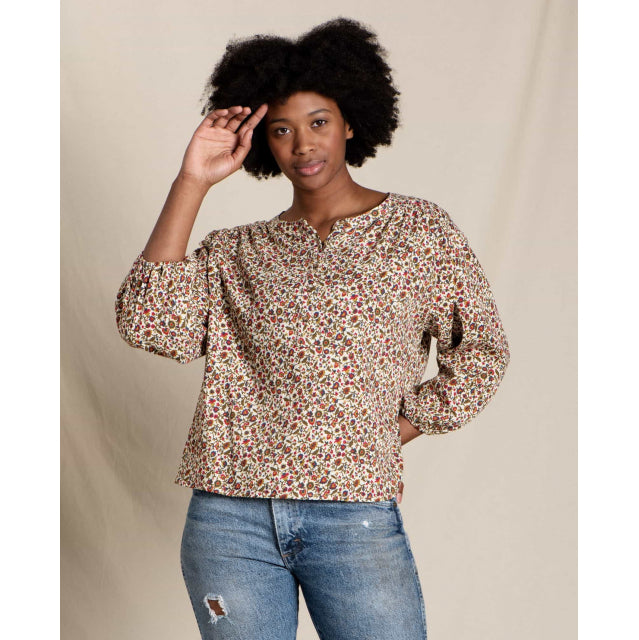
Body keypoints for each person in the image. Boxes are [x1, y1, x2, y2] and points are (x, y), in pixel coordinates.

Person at [115, 17, 509, 640]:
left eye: (318, 122)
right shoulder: (236, 251)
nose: (302, 144)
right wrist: (192, 180)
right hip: (228, 521)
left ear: (351, 122)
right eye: (282, 129)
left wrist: (390, 431)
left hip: (354, 517)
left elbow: (481, 351)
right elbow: (149, 324)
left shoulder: (419, 232)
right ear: (263, 143)